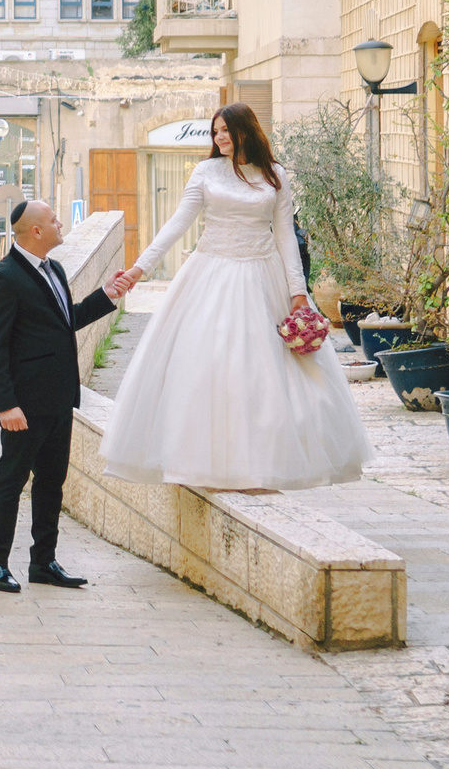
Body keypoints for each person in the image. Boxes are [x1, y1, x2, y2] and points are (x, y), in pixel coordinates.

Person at [97, 103, 372, 493]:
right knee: (211, 366)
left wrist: (298, 293)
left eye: (225, 130)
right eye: (215, 132)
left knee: (264, 374)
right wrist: (139, 269)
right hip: (210, 272)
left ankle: (261, 464)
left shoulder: (275, 175)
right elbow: (178, 223)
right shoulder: (206, 172)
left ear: (246, 130)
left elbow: (285, 239)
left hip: (264, 276)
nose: (219, 138)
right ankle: (204, 463)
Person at [0, 197, 119, 593]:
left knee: (51, 481)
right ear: (36, 231)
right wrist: (5, 404)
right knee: (11, 479)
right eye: (54, 220)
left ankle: (43, 562)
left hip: (58, 397)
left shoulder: (53, 268)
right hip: (24, 403)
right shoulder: (3, 277)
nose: (61, 223)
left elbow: (64, 320)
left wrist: (106, 295)